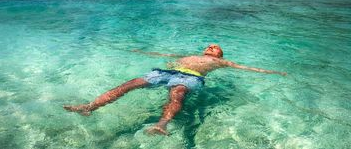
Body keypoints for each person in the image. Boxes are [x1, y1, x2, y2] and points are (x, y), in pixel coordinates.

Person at [63, 44, 286, 135]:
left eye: (215, 48)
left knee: (177, 93)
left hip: (191, 78)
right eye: (209, 46)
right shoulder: (188, 55)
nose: (211, 47)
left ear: (220, 56)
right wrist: (138, 51)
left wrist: (273, 73)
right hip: (165, 72)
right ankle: (89, 106)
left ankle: (161, 124)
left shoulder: (221, 62)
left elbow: (248, 67)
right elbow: (162, 56)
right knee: (130, 84)